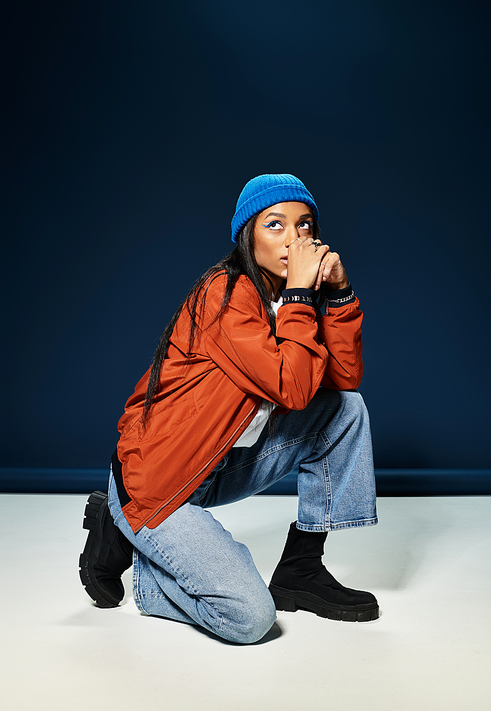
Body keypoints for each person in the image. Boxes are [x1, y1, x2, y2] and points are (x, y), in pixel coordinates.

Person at [79, 173, 379, 644]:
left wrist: (338, 294)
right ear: (248, 237)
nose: (293, 239)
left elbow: (342, 381)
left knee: (346, 410)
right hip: (158, 483)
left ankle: (302, 567)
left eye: (304, 227)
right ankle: (132, 547)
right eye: (275, 226)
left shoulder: (287, 300)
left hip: (214, 464)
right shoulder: (224, 295)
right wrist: (302, 295)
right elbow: (292, 388)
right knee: (250, 618)